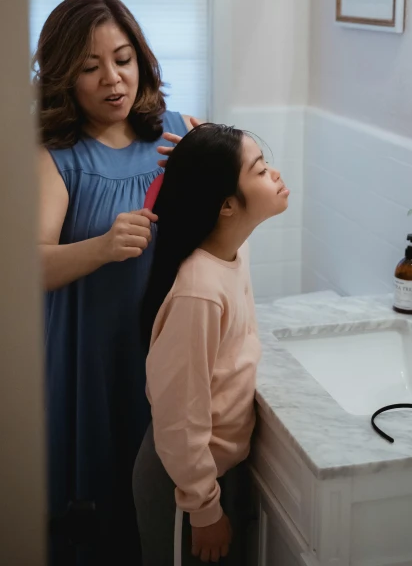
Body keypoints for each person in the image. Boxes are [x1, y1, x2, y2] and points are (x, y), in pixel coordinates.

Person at [35, 0, 197, 565]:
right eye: (89, 66)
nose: (113, 79)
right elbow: (29, 265)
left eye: (123, 60)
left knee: (160, 504)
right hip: (90, 358)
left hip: (166, 350)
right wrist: (103, 247)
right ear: (63, 77)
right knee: (97, 513)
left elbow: (231, 224)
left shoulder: (179, 133)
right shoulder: (56, 155)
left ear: (142, 60)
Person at [133, 123, 290, 565]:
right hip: (182, 481)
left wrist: (208, 150)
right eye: (260, 170)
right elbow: (179, 417)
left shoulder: (229, 252)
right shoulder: (199, 291)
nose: (274, 175)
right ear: (225, 205)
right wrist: (203, 508)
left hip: (204, 472)